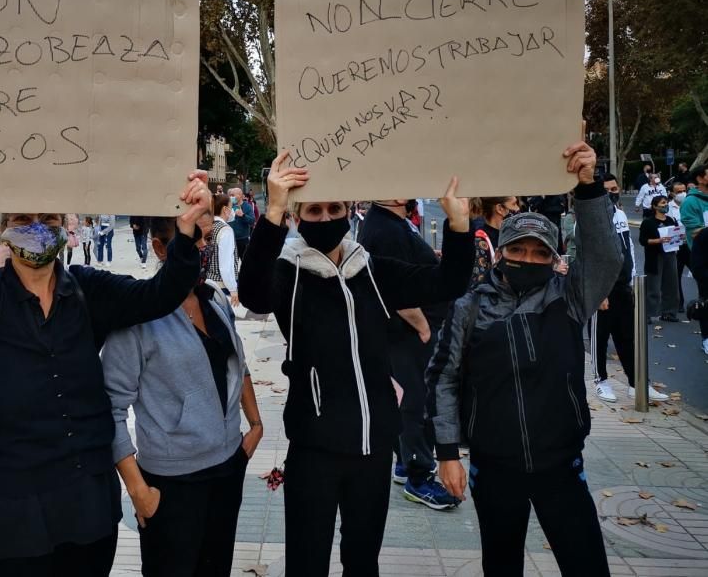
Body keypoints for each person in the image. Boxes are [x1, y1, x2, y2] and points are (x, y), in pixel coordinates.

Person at [0, 173, 209, 576]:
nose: (36, 227)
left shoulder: (88, 291)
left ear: (66, 226)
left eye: (48, 218)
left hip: (88, 516)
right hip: (8, 523)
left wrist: (186, 233)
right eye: (21, 219)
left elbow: (159, 294)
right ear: (0, 231)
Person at [238, 151, 473, 577]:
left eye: (335, 208)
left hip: (373, 449)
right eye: (314, 209)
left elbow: (448, 283)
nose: (326, 217)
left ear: (350, 211)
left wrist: (459, 225)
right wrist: (272, 209)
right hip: (314, 451)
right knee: (307, 564)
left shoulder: (373, 272)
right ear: (298, 215)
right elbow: (252, 293)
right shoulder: (288, 275)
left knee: (363, 562)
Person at [426, 140, 621, 577]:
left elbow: (607, 259)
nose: (527, 259)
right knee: (501, 566)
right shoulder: (470, 307)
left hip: (561, 467)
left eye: (538, 253)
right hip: (495, 470)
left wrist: (589, 188)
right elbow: (443, 379)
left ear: (553, 260)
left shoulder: (569, 299)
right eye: (518, 250)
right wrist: (446, 453)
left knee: (587, 564)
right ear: (502, 252)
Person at [103, 217, 263, 577]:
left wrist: (255, 426)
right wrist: (137, 489)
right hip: (171, 483)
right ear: (160, 248)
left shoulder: (214, 298)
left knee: (215, 568)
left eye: (205, 238)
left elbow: (236, 364)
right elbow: (110, 408)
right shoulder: (137, 318)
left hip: (227, 467)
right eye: (192, 239)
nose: (203, 248)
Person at [359, 198, 459, 510]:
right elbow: (389, 285)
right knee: (415, 402)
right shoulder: (385, 227)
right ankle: (419, 477)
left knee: (408, 398)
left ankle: (405, 462)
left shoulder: (392, 220)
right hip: (408, 333)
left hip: (408, 333)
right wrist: (423, 325)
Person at [592, 175, 668, 402]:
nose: (613, 193)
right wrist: (598, 290)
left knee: (628, 338)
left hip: (624, 286)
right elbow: (589, 257)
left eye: (615, 188)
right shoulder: (590, 220)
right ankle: (600, 381)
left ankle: (638, 383)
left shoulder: (621, 215)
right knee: (599, 336)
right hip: (603, 289)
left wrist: (634, 279)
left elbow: (629, 250)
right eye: (607, 190)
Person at [639, 195, 681, 323]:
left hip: (670, 254)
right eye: (662, 203)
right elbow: (643, 241)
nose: (665, 205)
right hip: (655, 256)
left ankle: (669, 312)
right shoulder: (648, 222)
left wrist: (679, 237)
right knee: (653, 287)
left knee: (671, 285)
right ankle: (648, 313)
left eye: (666, 203)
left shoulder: (670, 219)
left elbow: (676, 233)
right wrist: (659, 240)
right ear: (654, 206)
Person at [468, 196, 519, 288]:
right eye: (514, 204)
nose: (518, 208)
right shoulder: (480, 240)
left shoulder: (510, 235)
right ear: (500, 209)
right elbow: (478, 286)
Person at [209, 196, 239, 307]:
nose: (232, 211)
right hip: (221, 286)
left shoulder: (209, 226)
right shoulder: (225, 230)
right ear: (225, 209)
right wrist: (233, 288)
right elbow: (226, 265)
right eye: (231, 207)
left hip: (208, 281)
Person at [668, 182, 689, 314]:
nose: (682, 193)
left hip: (691, 245)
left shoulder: (691, 204)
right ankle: (678, 303)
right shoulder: (668, 208)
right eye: (679, 191)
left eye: (684, 190)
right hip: (676, 247)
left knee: (701, 275)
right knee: (676, 277)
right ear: (672, 193)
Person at [228, 188, 254, 260]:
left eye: (233, 195)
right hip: (231, 240)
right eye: (230, 195)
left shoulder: (247, 206)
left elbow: (252, 221)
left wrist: (243, 215)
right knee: (232, 263)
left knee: (245, 262)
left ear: (239, 195)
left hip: (243, 240)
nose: (231, 197)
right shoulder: (230, 206)